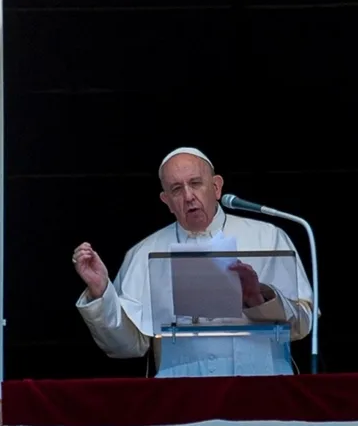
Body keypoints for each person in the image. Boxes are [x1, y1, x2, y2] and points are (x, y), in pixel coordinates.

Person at [73, 147, 314, 377]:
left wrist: (258, 297)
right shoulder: (144, 252)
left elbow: (302, 325)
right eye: (177, 189)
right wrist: (102, 293)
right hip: (181, 392)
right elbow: (127, 347)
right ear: (166, 200)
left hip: (261, 385)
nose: (189, 196)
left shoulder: (268, 236)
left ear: (217, 187)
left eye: (196, 183)